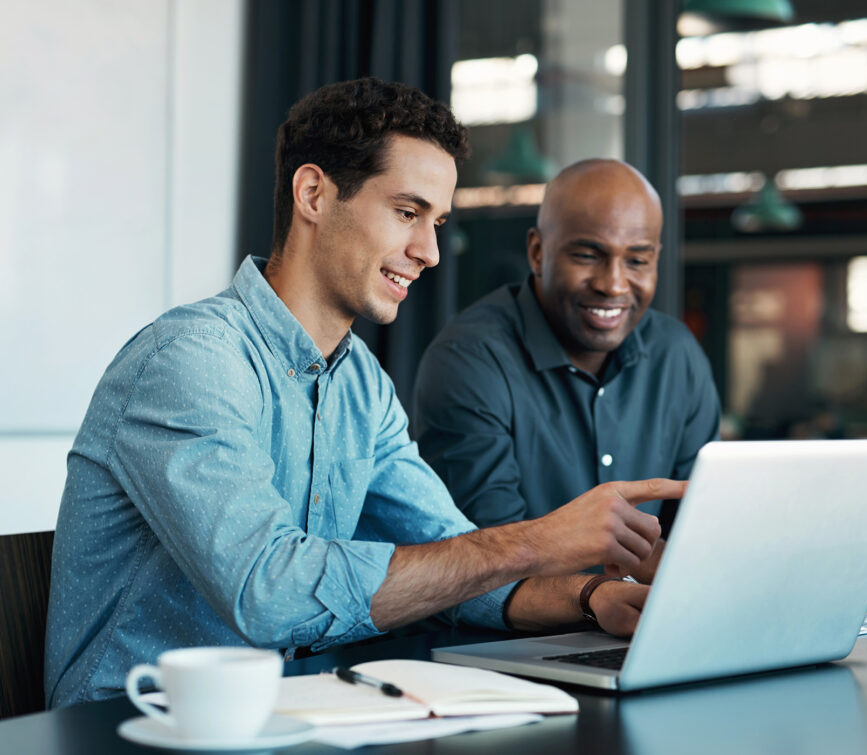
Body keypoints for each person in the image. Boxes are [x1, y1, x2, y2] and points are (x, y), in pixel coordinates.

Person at [44, 80, 682, 708]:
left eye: (437, 222)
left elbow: (457, 567)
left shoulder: (361, 385)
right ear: (315, 194)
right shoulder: (191, 361)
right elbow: (271, 595)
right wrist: (539, 539)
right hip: (135, 728)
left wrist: (591, 598)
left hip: (292, 718)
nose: (428, 251)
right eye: (408, 213)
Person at [412, 159, 720, 577]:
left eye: (637, 261)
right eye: (589, 255)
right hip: (504, 640)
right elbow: (489, 556)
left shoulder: (676, 354)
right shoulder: (470, 359)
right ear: (538, 252)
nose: (613, 284)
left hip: (648, 626)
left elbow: (704, 531)